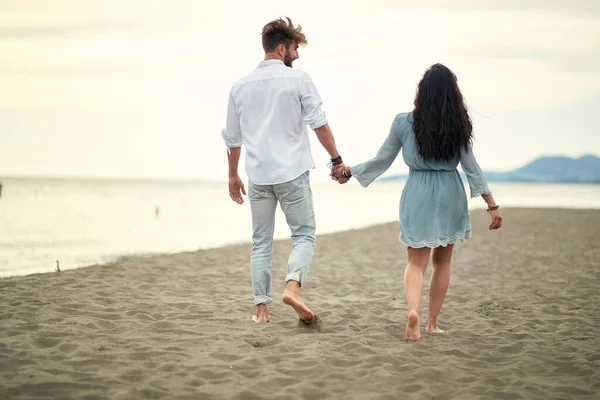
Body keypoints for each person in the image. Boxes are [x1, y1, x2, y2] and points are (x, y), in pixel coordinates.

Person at [332, 63, 503, 341]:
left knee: (415, 262)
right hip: (450, 190)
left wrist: (350, 172)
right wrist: (491, 204)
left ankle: (413, 311)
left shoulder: (403, 122)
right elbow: (472, 167)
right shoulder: (458, 125)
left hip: (418, 189)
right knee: (443, 262)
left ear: (421, 92)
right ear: (452, 95)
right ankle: (432, 323)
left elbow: (382, 159)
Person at [222, 17, 346, 325]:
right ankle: (292, 288)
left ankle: (261, 312)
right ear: (281, 49)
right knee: (303, 234)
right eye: (294, 49)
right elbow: (319, 123)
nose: (298, 56)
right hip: (291, 173)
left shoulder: (239, 87)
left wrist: (233, 175)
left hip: (259, 176)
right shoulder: (299, 80)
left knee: (261, 241)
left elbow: (233, 139)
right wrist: (336, 160)